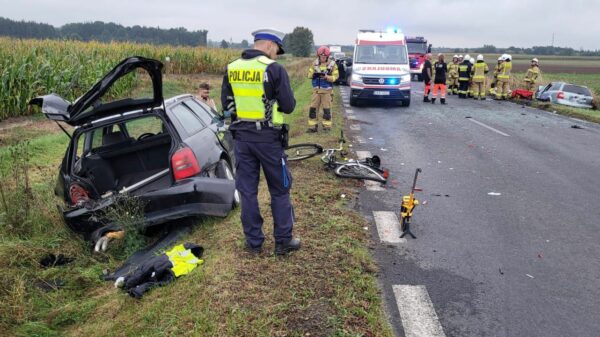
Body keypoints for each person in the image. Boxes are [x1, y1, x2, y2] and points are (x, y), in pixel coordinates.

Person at [220, 28, 300, 256]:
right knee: (280, 189)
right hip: (268, 139)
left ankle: (253, 243)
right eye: (276, 49)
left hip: (242, 140)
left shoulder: (232, 68)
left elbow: (226, 105)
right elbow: (289, 106)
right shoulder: (273, 69)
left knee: (247, 192)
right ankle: (283, 242)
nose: (276, 54)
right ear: (268, 45)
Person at [307, 46, 338, 132]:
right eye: (321, 56)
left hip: (327, 92)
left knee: (326, 110)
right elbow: (309, 74)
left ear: (327, 56)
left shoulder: (332, 65)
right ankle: (312, 127)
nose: (323, 58)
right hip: (316, 92)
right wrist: (313, 75)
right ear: (318, 56)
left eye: (324, 57)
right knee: (313, 109)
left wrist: (327, 77)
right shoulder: (314, 64)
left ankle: (327, 127)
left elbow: (336, 77)